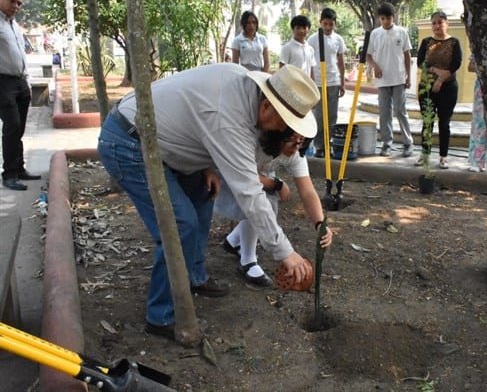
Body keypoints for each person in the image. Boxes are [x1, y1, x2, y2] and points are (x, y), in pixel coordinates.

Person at [97, 64, 320, 338]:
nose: (285, 133)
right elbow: (250, 193)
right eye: (285, 125)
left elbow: (194, 119)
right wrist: (285, 253)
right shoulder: (230, 116)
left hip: (168, 144)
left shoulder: (244, 94)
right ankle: (160, 316)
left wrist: (205, 165)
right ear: (266, 107)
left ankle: (194, 277)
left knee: (203, 198)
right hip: (131, 141)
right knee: (180, 226)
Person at [217, 131, 333, 287]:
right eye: (291, 140)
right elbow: (244, 176)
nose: (296, 147)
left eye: (301, 141)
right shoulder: (254, 140)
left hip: (260, 175)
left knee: (268, 203)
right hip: (228, 173)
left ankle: (234, 240)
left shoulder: (295, 151)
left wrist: (320, 222)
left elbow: (307, 191)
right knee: (261, 203)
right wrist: (276, 184)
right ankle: (248, 259)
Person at [0, 0, 41, 191]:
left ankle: (19, 168)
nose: (16, 6)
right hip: (3, 83)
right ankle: (9, 174)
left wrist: (27, 79)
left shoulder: (14, 25)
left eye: (19, 3)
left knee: (20, 128)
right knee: (12, 126)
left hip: (20, 82)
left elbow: (21, 55)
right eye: (11, 1)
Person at [415, 10, 462, 170]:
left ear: (446, 24)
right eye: (434, 23)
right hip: (426, 87)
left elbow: (456, 63)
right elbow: (420, 62)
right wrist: (435, 71)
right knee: (427, 122)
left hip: (448, 88)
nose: (437, 26)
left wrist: (441, 79)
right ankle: (425, 154)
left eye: (440, 22)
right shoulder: (426, 41)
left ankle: (443, 156)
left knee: (444, 123)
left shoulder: (454, 42)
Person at [366, 2, 414, 158]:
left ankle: (408, 143)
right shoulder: (375, 34)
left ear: (394, 17)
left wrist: (408, 77)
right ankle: (387, 144)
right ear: (380, 18)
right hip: (382, 80)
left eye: (389, 18)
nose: (386, 21)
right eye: (383, 18)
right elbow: (368, 56)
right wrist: (375, 67)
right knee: (384, 113)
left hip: (399, 78)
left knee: (400, 111)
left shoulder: (402, 32)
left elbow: (407, 56)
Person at [307, 7, 346, 158]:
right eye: (326, 24)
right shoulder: (312, 39)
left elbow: (341, 62)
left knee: (332, 116)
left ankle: (328, 143)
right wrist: (310, 81)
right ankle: (319, 146)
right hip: (318, 82)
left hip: (334, 82)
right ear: (320, 22)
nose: (328, 27)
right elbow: (309, 61)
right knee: (319, 116)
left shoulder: (338, 39)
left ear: (335, 24)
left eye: (331, 24)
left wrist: (342, 83)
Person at [467, 55, 487, 172]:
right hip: (482, 88)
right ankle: (477, 160)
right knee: (479, 123)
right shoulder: (480, 46)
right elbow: (470, 67)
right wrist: (482, 68)